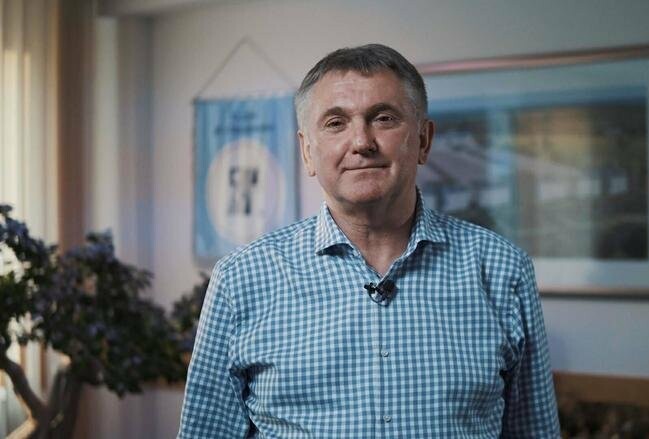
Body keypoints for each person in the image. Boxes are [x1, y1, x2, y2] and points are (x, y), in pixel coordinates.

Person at [178, 43, 560, 438]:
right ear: (307, 151)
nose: (361, 141)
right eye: (335, 123)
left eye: (384, 118)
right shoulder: (241, 280)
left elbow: (535, 432)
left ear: (424, 140)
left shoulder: (502, 269)